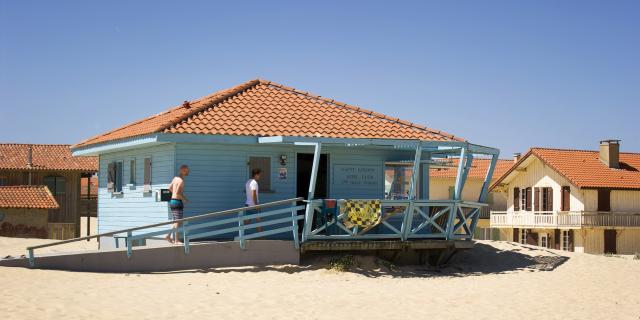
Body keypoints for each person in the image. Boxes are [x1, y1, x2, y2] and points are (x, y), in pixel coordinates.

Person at [166, 165, 189, 243]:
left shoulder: (175, 178)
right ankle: (176, 240)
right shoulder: (181, 181)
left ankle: (168, 236)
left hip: (172, 201)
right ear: (183, 171)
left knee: (176, 221)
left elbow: (169, 188)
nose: (188, 172)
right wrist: (185, 199)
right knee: (178, 222)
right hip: (177, 202)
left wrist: (174, 194)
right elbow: (179, 193)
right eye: (187, 170)